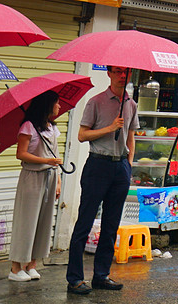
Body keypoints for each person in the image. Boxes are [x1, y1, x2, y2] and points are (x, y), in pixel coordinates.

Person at [67, 65, 139, 296]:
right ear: (109, 73)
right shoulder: (96, 101)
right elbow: (82, 135)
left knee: (111, 225)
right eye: (117, 71)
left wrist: (129, 162)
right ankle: (75, 278)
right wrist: (109, 128)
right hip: (98, 164)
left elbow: (130, 135)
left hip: (120, 167)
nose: (121, 75)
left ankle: (101, 275)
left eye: (125, 72)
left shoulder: (131, 104)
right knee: (85, 223)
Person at [8, 91, 62, 282]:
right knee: (26, 222)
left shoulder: (52, 128)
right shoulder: (28, 126)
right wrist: (45, 160)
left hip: (50, 176)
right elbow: (21, 154)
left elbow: (55, 155)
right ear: (47, 105)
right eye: (57, 103)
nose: (59, 107)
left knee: (43, 223)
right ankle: (15, 268)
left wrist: (58, 182)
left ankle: (32, 264)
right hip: (32, 176)